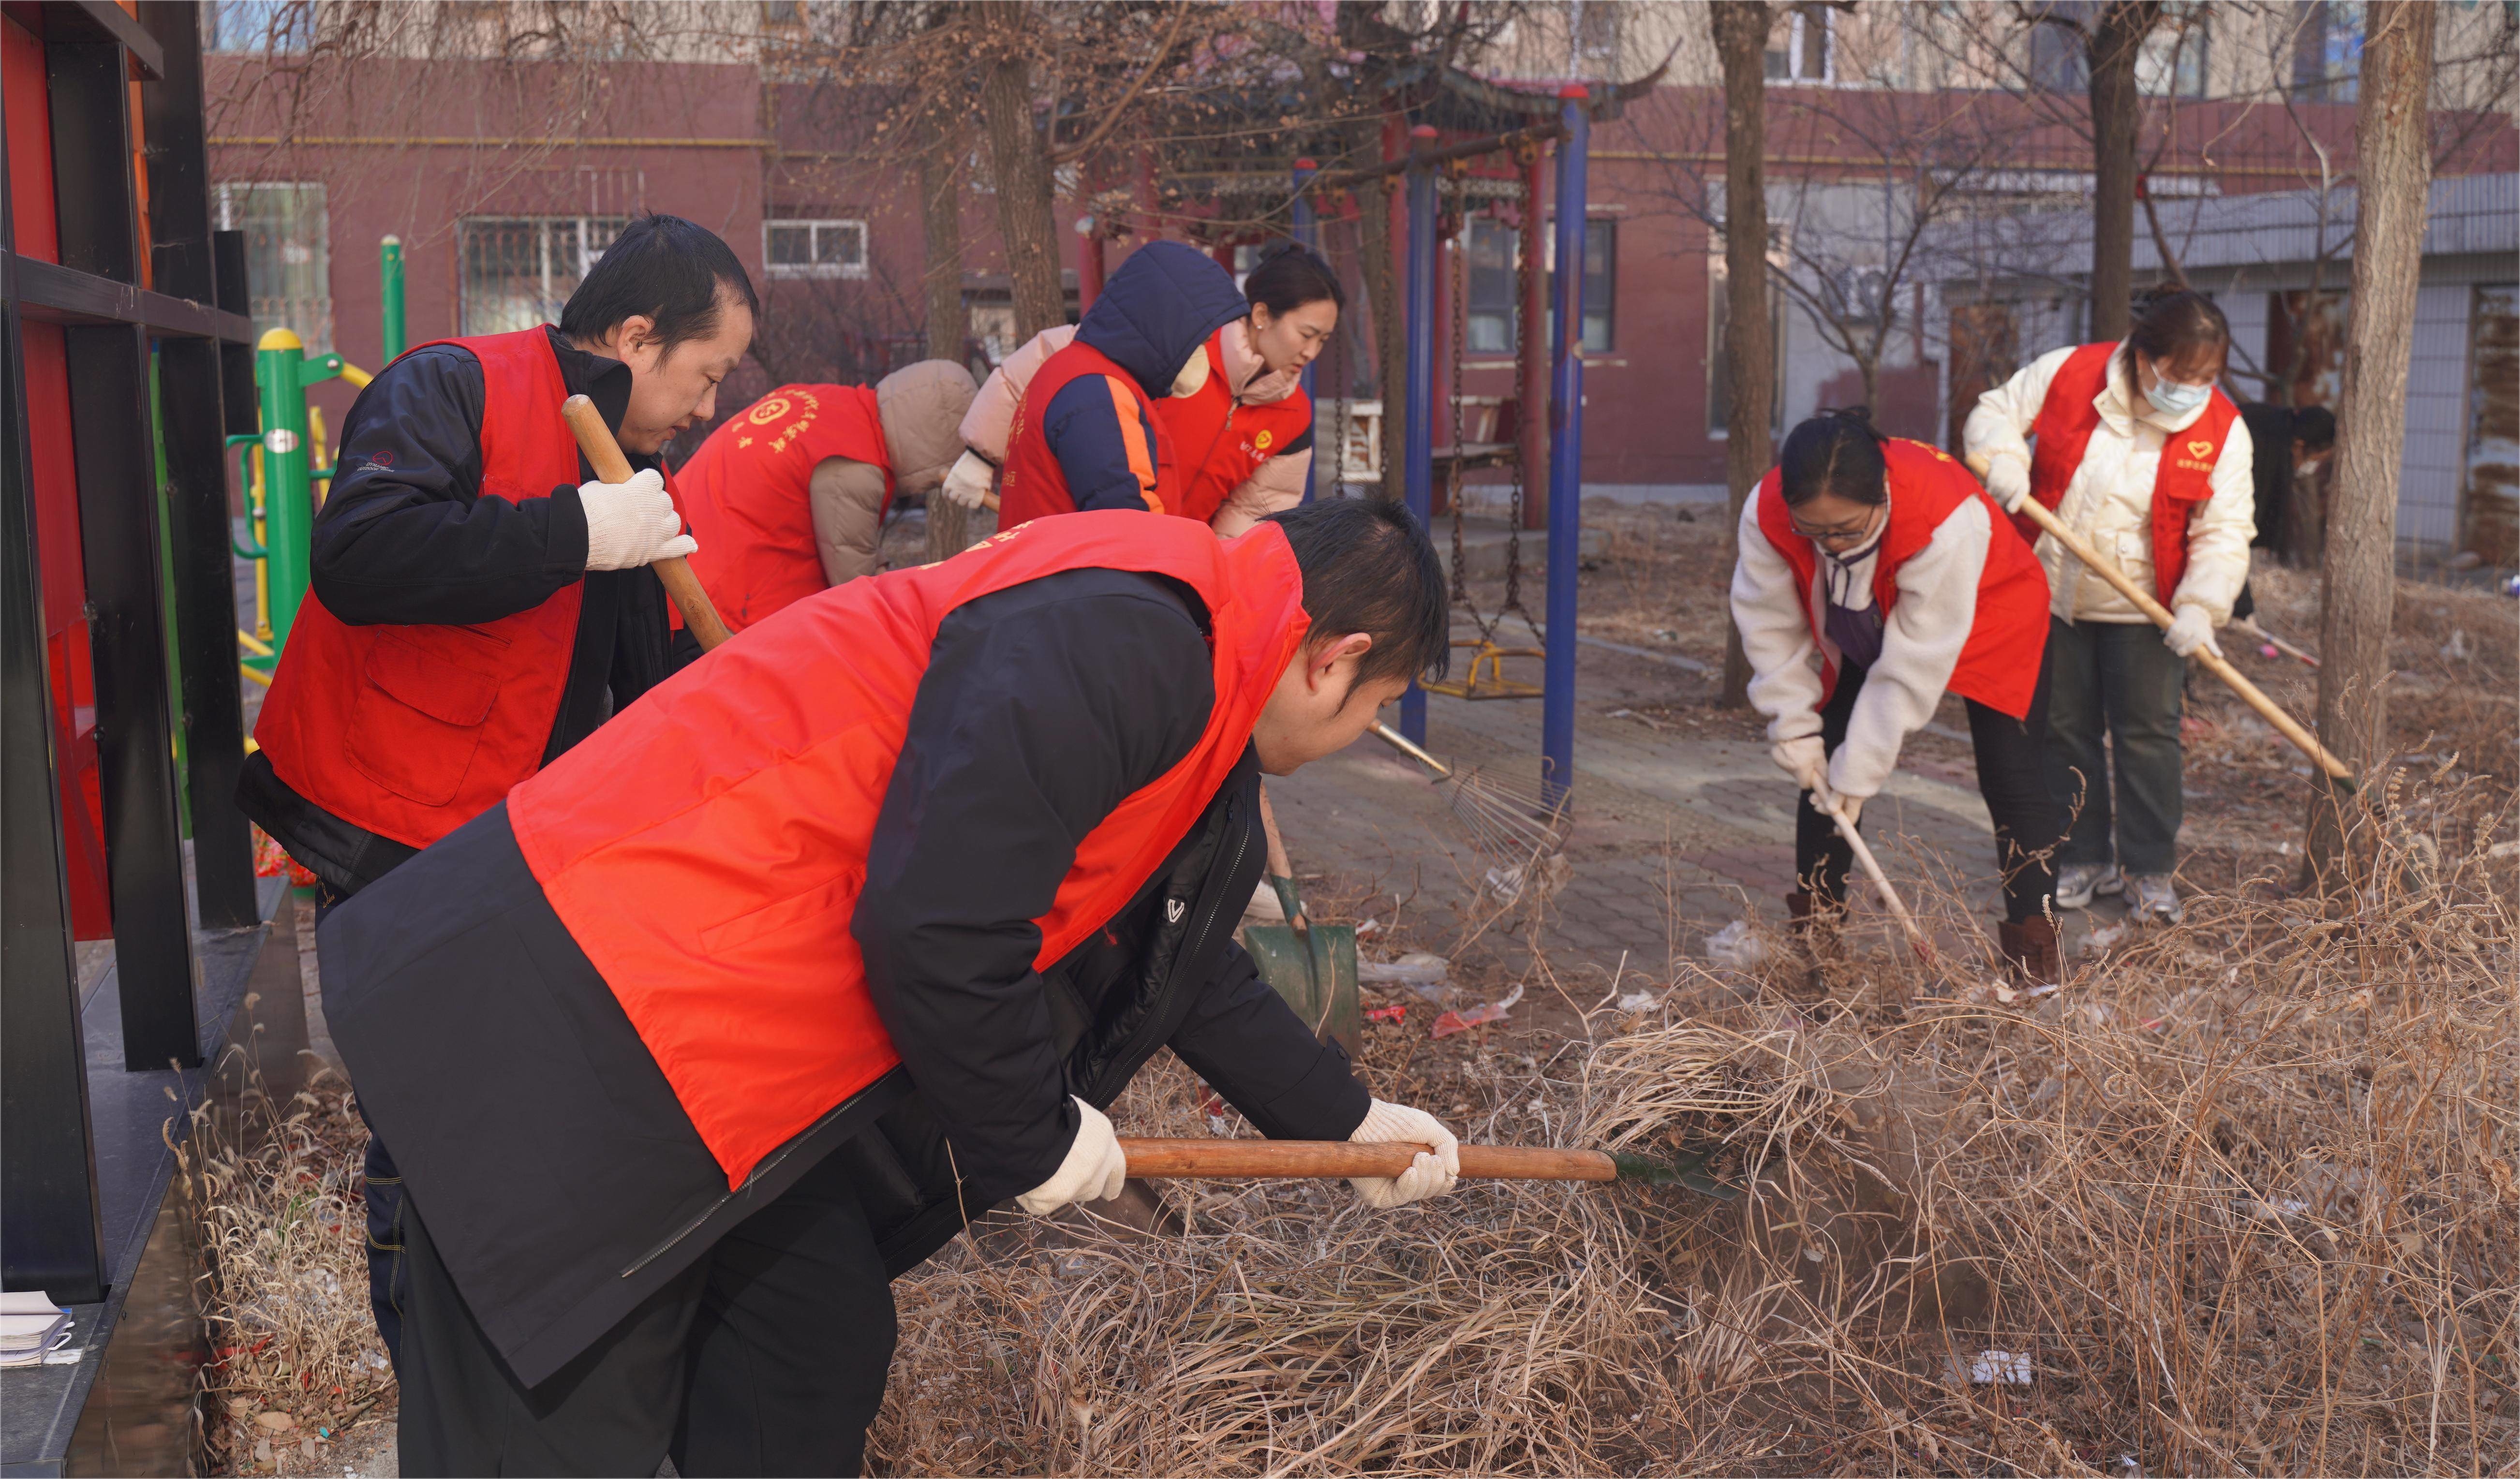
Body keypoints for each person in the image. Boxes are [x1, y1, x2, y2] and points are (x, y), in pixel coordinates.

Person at [315, 498, 1466, 1477]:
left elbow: (1169, 950)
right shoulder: (1135, 640)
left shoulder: (1191, 655)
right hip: (580, 1011)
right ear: (1335, 656)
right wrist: (1035, 1131)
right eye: (1374, 710)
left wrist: (1345, 1119)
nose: (1356, 737)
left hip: (724, 1048)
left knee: (806, 1344)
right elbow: (939, 923)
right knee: (557, 1425)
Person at [237, 211, 757, 1364]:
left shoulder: (633, 470)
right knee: (426, 1126)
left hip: (520, 847)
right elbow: (362, 554)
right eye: (707, 372)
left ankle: (503, 1349)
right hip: (389, 836)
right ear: (634, 334)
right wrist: (574, 528)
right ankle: (430, 1364)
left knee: (512, 1117)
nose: (710, 407)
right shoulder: (451, 386)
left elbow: (639, 676)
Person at [1732, 411, 2063, 981]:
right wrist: (1793, 728)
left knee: (2011, 777)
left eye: (1846, 530)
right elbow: (1769, 628)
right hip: (1866, 616)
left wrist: (1861, 773)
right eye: (1813, 531)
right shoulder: (1765, 513)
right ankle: (1818, 937)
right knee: (1823, 770)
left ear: (1881, 498)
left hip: (1990, 611)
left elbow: (1910, 667)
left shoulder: (1942, 515)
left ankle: (2034, 960)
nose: (1830, 545)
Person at [1965, 288, 2255, 925]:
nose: (2193, 389)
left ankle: (2148, 870)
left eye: (2208, 377)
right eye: (2181, 376)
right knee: (2064, 730)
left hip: (2148, 608)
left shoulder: (2222, 430)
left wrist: (2203, 606)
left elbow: (2223, 530)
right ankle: (2081, 856)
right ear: (2142, 357)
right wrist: (2006, 459)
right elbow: (1994, 413)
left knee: (2147, 738)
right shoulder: (2070, 371)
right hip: (2053, 590)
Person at [948, 243, 1341, 536]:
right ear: (1261, 316)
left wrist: (1212, 578)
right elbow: (1061, 361)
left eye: (1323, 340)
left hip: (1174, 566)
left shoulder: (1295, 418)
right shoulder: (1185, 341)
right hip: (1090, 538)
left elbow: (1252, 512)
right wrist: (981, 452)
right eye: (1306, 334)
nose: (1311, 352)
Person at [673, 361, 978, 636]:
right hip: (719, 592)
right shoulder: (855, 465)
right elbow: (853, 582)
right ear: (937, 444)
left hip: (683, 532)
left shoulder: (835, 405)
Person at [971, 239, 1252, 527]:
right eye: (1199, 341)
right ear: (1169, 327)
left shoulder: (1074, 370)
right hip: (1075, 569)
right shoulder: (1100, 393)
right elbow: (1133, 529)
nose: (1204, 354)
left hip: (1051, 566)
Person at [2231, 400, 2335, 621]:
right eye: (2314, 459)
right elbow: (2233, 530)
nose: (2311, 466)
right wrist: (2243, 609)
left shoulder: (2273, 428)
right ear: (2299, 445)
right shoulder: (2261, 447)